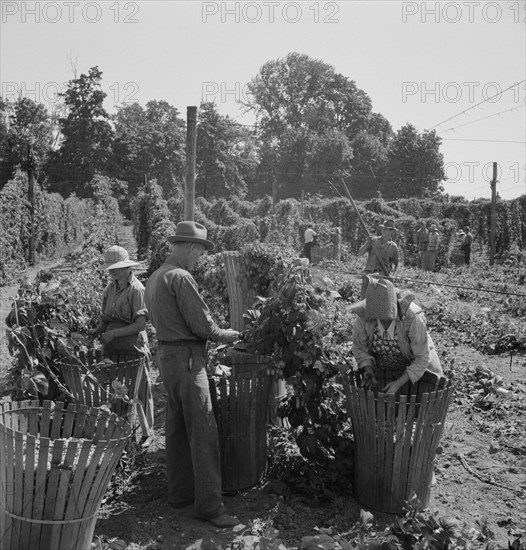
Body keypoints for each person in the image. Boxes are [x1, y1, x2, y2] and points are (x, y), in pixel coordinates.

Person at [144, 221, 241, 528]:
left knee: (175, 428)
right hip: (188, 360)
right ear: (191, 248)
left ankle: (180, 494)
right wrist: (230, 334)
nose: (199, 260)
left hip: (167, 358)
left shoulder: (155, 277)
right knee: (203, 431)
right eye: (199, 253)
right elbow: (203, 326)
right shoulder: (181, 277)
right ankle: (210, 507)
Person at [90, 245, 154, 436]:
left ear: (127, 268)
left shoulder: (137, 290)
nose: (112, 271)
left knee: (139, 387)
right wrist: (97, 330)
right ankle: (121, 429)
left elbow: (140, 325)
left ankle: (146, 432)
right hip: (112, 347)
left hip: (133, 345)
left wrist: (115, 334)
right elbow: (106, 318)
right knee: (115, 387)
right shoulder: (110, 288)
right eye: (111, 268)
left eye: (116, 268)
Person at [350, 276, 443, 395]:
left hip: (417, 372)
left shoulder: (412, 319)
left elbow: (422, 357)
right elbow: (360, 347)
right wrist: (368, 369)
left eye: (388, 317)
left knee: (418, 402)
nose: (384, 321)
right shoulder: (364, 319)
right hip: (385, 372)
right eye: (380, 317)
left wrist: (398, 383)